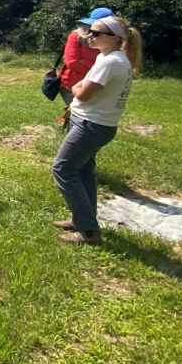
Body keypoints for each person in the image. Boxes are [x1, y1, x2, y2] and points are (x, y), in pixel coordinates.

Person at [52, 15, 143, 245]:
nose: (89, 36)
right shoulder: (113, 58)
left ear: (114, 38)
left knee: (63, 169)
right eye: (89, 31)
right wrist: (80, 86)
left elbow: (83, 92)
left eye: (96, 33)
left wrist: (75, 87)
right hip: (97, 124)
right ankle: (82, 219)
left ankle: (88, 232)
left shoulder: (111, 62)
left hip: (91, 125)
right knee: (84, 172)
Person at [55, 8, 113, 121]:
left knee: (87, 118)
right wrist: (96, 67)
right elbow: (72, 63)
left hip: (97, 84)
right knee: (82, 118)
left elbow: (109, 63)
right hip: (71, 84)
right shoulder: (75, 36)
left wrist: (84, 62)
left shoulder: (110, 40)